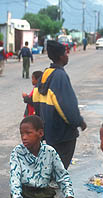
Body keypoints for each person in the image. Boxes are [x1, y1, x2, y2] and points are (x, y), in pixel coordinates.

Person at [33, 40, 87, 169]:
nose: (67, 56)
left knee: (51, 166)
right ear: (61, 57)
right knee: (60, 169)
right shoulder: (60, 76)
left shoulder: (46, 73)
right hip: (63, 133)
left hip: (49, 131)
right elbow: (67, 106)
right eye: (66, 53)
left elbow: (36, 99)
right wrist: (79, 121)